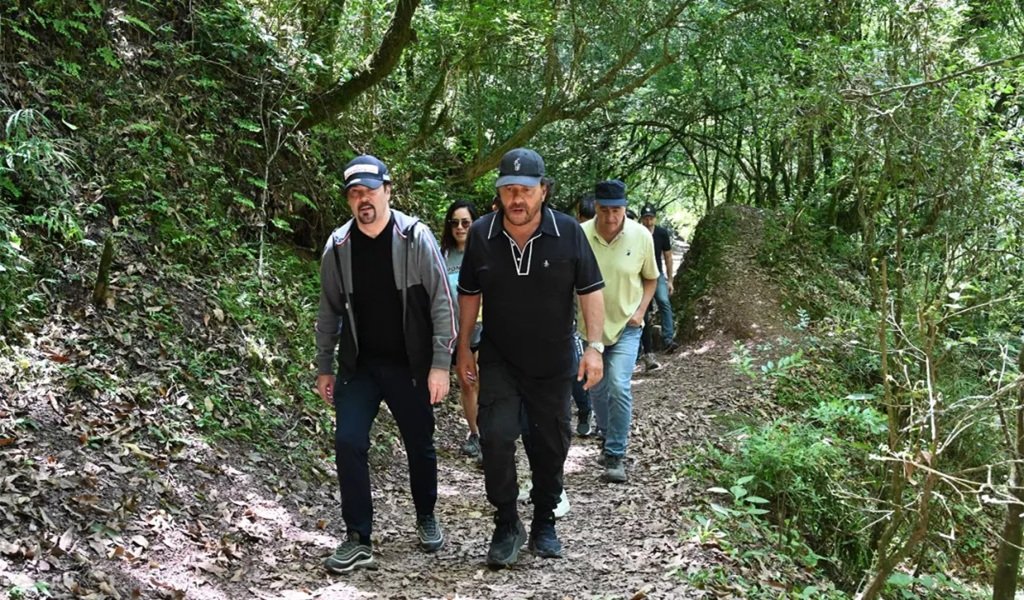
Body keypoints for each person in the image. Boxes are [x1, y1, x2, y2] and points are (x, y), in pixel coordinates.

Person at [456, 148, 605, 568]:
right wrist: (464, 345)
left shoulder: (569, 232)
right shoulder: (482, 234)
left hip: (553, 362)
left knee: (550, 444)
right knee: (497, 436)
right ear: (499, 194)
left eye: (525, 189)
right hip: (500, 358)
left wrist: (594, 348)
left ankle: (543, 521)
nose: (516, 198)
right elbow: (469, 294)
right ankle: (506, 523)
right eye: (508, 190)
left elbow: (590, 289)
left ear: (543, 190)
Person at [315, 154, 456, 573]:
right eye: (355, 193)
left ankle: (426, 514)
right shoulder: (338, 247)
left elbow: (441, 303)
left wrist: (440, 364)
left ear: (388, 191)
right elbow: (328, 310)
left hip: (410, 365)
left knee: (420, 444)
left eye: (370, 191)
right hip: (361, 366)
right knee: (348, 442)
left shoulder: (416, 238)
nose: (364, 200)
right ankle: (358, 536)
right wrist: (325, 365)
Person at [581, 179, 658, 483]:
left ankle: (615, 454)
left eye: (617, 210)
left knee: (618, 384)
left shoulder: (641, 236)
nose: (611, 217)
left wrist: (640, 312)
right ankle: (605, 433)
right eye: (604, 210)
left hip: (626, 325)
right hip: (590, 329)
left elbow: (651, 278)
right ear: (596, 208)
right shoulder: (581, 234)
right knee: (596, 387)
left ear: (625, 208)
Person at [440, 200, 483, 459]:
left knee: (481, 380)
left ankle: (490, 434)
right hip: (454, 330)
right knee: (467, 384)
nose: (459, 227)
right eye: (454, 222)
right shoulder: (442, 254)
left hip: (483, 325)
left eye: (465, 222)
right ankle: (475, 432)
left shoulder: (485, 251)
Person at [573, 194, 597, 436]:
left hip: (587, 313)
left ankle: (584, 409)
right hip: (565, 314)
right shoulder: (568, 236)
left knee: (576, 368)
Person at [640, 203, 678, 354]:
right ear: (642, 219)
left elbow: (668, 256)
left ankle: (668, 338)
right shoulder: (638, 232)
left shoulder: (661, 233)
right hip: (641, 276)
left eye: (651, 218)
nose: (648, 221)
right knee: (642, 308)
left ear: (655, 219)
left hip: (657, 274)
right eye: (646, 218)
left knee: (664, 302)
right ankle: (642, 344)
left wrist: (670, 280)